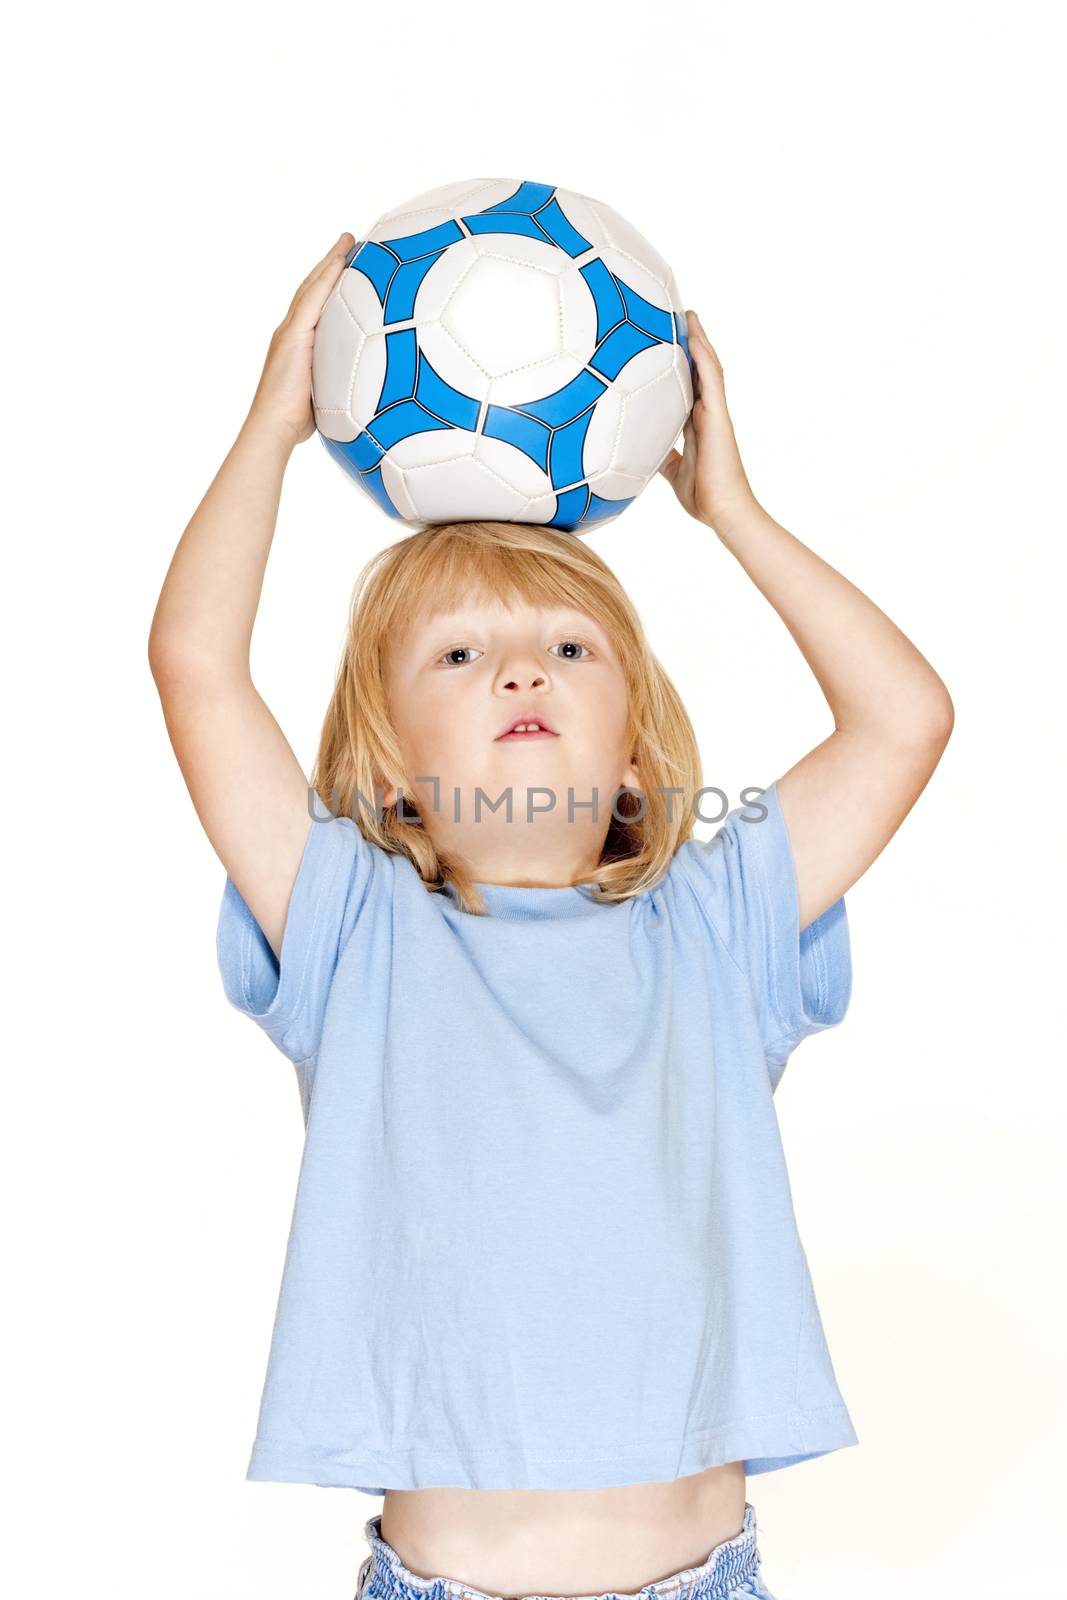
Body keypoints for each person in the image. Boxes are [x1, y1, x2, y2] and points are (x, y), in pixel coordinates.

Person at [148, 232, 954, 1600]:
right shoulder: (355, 932)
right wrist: (270, 432)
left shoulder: (715, 925)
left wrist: (736, 516)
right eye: (459, 654)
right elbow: (195, 665)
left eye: (571, 650)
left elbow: (905, 718)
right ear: (393, 774)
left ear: (634, 750)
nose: (523, 665)